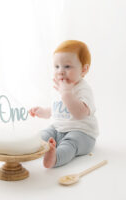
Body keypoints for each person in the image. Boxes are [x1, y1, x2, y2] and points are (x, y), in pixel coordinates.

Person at [29, 40, 99, 168]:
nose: (60, 71)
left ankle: (55, 158)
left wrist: (66, 93)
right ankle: (30, 150)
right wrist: (44, 112)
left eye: (67, 66)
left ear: (84, 69)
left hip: (82, 133)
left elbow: (79, 113)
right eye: (57, 66)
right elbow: (57, 109)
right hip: (58, 129)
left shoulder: (83, 89)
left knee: (70, 144)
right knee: (43, 135)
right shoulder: (60, 87)